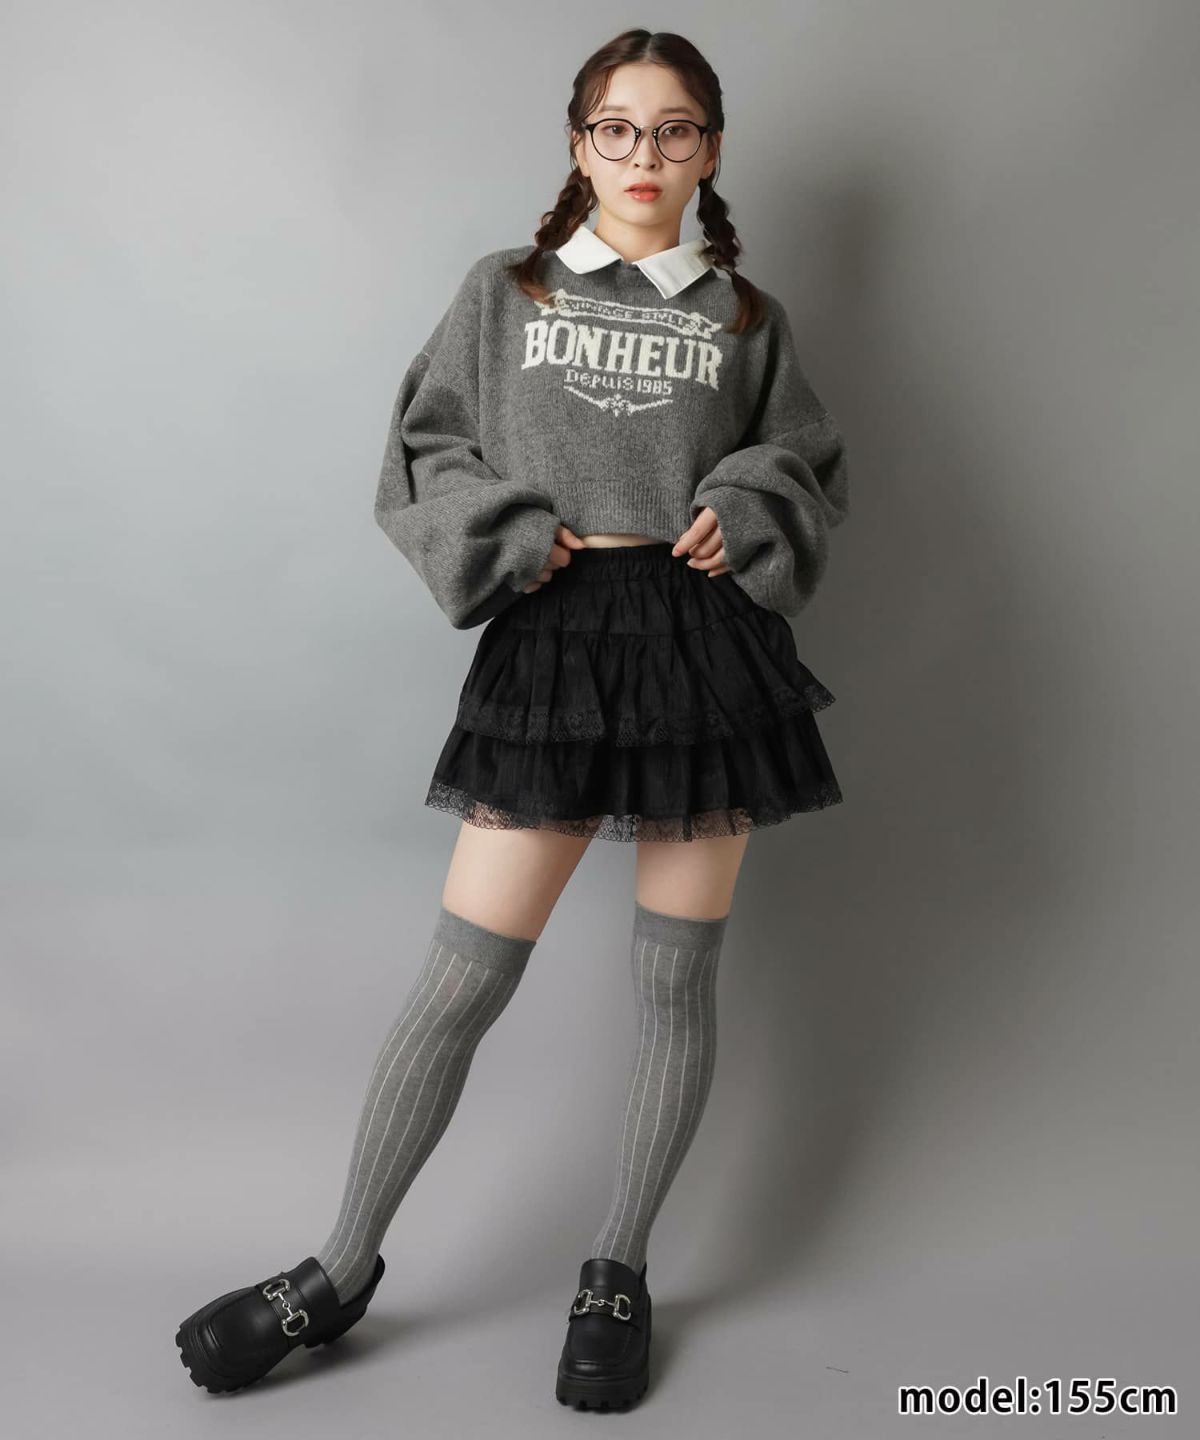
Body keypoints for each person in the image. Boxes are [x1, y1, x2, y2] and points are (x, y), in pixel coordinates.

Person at [175, 27, 849, 1411]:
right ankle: (338, 1270)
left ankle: (617, 1270)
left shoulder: (747, 317)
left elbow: (806, 459)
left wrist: (747, 505)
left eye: (674, 130)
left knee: (675, 983)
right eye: (618, 128)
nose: (645, 155)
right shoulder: (507, 289)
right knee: (461, 983)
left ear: (711, 150)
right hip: (552, 641)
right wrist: (507, 533)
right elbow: (425, 444)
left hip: (699, 647)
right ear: (578, 142)